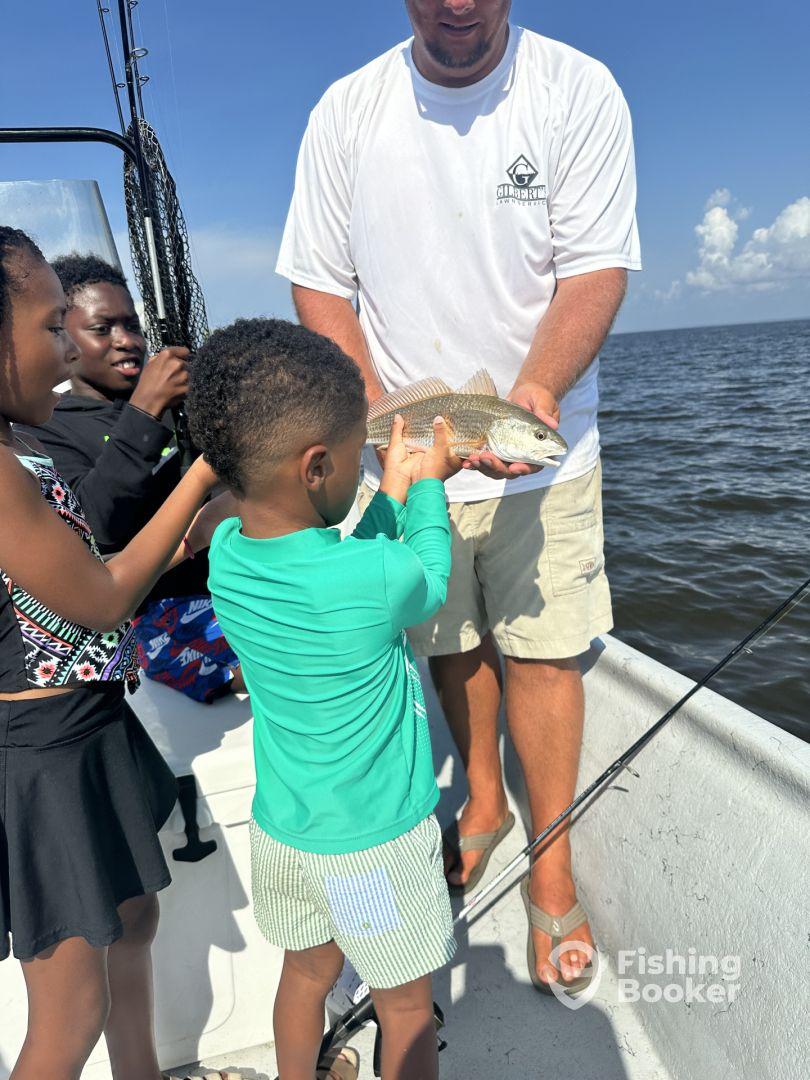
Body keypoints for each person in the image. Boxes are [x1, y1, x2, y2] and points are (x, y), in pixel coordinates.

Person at [276, 0, 641, 996]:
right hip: (406, 449)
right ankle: (484, 801)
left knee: (546, 650)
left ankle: (551, 861)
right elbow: (319, 284)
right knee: (450, 642)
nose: (457, 7)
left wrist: (537, 395)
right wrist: (379, 421)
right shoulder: (347, 112)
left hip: (541, 439)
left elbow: (595, 268)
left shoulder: (578, 90)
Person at [187, 318, 462, 1080]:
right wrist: (429, 486)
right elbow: (423, 577)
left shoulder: (231, 557)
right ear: (316, 468)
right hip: (369, 849)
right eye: (353, 459)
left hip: (287, 838)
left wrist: (388, 490)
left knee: (305, 977)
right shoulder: (372, 581)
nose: (360, 470)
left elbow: (352, 571)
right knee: (404, 1007)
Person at [0, 225, 235, 1080]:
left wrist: (183, 535)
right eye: (49, 329)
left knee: (136, 922)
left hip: (98, 725)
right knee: (68, 1018)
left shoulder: (18, 447)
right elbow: (99, 600)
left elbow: (89, 573)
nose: (64, 355)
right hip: (45, 755)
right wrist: (201, 479)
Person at [16, 254, 242, 703]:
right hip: (157, 615)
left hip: (232, 585)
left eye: (132, 326)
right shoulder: (49, 428)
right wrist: (144, 410)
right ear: (65, 338)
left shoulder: (180, 407)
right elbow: (95, 527)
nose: (126, 341)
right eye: (103, 329)